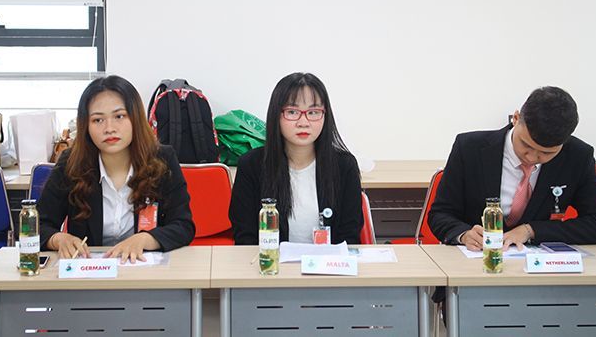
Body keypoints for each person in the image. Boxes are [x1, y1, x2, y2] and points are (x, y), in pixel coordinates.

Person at [429, 86, 596, 251]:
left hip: (539, 268)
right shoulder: (469, 148)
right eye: (526, 145)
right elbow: (440, 214)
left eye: (546, 153)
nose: (532, 158)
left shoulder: (577, 157)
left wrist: (531, 230)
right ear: (516, 118)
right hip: (476, 262)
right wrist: (463, 234)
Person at [38, 75, 195, 262]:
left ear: (135, 118)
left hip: (142, 268)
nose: (109, 128)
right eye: (98, 120)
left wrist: (145, 239)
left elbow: (183, 225)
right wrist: (58, 239)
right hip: (89, 272)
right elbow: (37, 225)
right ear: (85, 125)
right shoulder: (71, 163)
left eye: (119, 116)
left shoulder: (162, 159)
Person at [229, 72, 363, 245]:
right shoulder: (251, 165)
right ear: (276, 115)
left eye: (313, 112)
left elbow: (349, 237)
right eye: (292, 112)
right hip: (270, 261)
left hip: (330, 262)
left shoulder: (344, 166)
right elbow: (245, 238)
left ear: (325, 115)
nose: (303, 122)